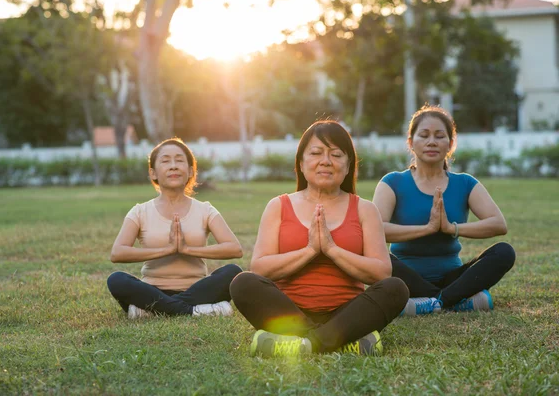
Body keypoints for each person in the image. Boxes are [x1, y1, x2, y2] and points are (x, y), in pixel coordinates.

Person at [230, 121, 409, 358]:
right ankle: (339, 341)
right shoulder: (278, 206)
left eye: (336, 154)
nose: (326, 161)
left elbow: (381, 274)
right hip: (289, 311)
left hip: (346, 314)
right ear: (301, 164)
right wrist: (311, 249)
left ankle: (302, 343)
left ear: (348, 167)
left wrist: (332, 249)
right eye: (316, 153)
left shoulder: (365, 209)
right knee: (243, 283)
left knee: (395, 289)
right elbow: (260, 268)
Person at [373, 105, 516, 316]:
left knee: (504, 252)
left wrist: (450, 228)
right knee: (376, 255)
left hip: (454, 277)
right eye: (424, 135)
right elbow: (375, 230)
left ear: (450, 144)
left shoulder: (465, 183)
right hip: (406, 277)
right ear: (411, 143)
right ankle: (453, 300)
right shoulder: (392, 182)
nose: (432, 141)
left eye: (439, 136)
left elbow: (498, 224)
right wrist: (427, 228)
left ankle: (432, 302)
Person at [107, 138, 243, 318]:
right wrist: (167, 250)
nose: (173, 166)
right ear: (153, 173)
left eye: (179, 160)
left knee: (233, 273)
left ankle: (155, 311)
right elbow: (117, 253)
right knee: (117, 280)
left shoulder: (205, 210)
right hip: (152, 290)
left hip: (197, 289)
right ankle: (194, 311)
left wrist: (187, 249)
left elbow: (235, 248)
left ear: (190, 171)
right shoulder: (140, 211)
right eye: (165, 161)